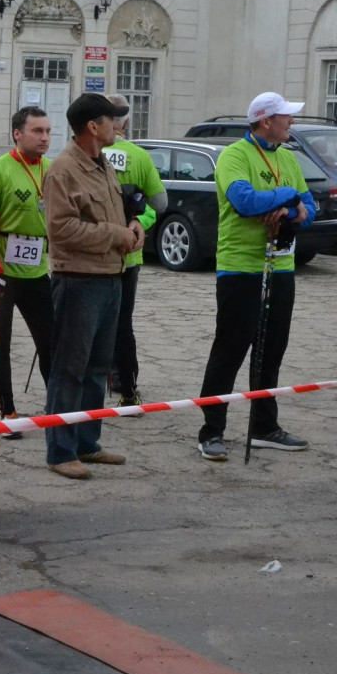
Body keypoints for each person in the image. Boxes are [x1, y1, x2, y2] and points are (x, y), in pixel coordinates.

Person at [196, 92, 316, 461]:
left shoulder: (289, 158)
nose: (291, 122)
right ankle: (211, 431)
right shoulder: (235, 155)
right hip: (240, 267)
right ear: (265, 120)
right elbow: (244, 202)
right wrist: (286, 197)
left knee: (272, 350)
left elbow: (309, 209)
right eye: (285, 117)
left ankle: (264, 426)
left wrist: (291, 209)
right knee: (230, 349)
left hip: (281, 266)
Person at [42, 93, 144, 480]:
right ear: (92, 126)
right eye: (111, 119)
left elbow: (118, 210)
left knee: (98, 368)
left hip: (109, 278)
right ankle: (60, 451)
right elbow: (61, 229)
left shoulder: (103, 164)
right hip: (78, 281)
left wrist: (134, 224)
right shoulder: (64, 170)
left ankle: (87, 442)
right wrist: (116, 234)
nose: (117, 125)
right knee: (70, 368)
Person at [0, 107, 54, 439]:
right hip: (1, 273)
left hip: (37, 271)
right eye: (37, 131)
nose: (45, 138)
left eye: (48, 131)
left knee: (52, 342)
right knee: (0, 343)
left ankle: (59, 408)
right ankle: (7, 412)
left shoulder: (52, 171)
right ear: (17, 134)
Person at [101, 93, 167, 409]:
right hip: (130, 253)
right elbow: (160, 204)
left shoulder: (87, 153)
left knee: (92, 323)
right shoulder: (139, 156)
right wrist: (138, 220)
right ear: (126, 122)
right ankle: (127, 387)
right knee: (122, 323)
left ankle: (93, 387)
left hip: (94, 252)